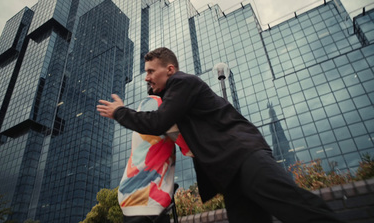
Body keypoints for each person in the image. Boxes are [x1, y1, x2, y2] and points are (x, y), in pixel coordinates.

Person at [97, 47, 344, 222]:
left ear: (170, 69)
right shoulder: (173, 95)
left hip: (243, 155)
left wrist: (120, 112)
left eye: (151, 71)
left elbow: (158, 122)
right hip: (229, 172)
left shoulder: (183, 83)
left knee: (296, 207)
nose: (147, 77)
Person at [115, 94, 192, 223]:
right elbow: (190, 148)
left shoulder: (146, 104)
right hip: (148, 199)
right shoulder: (161, 106)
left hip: (131, 195)